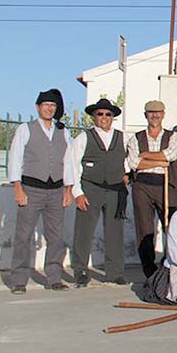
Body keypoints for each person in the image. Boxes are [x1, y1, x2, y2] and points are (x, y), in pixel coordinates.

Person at [8, 88, 74, 294]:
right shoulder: (25, 129)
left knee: (56, 237)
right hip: (31, 189)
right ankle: (19, 280)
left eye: (53, 105)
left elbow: (69, 162)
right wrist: (18, 188)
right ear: (38, 107)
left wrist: (69, 189)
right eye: (45, 105)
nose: (49, 108)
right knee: (23, 236)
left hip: (56, 190)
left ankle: (53, 278)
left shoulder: (63, 131)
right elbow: (15, 158)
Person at [70, 98, 129, 287]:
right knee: (84, 232)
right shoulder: (84, 137)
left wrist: (127, 174)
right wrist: (77, 192)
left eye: (108, 114)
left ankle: (115, 272)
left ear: (113, 117)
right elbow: (73, 165)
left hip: (114, 189)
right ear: (94, 116)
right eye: (100, 114)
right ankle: (80, 271)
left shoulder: (122, 137)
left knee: (115, 231)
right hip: (90, 188)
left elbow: (129, 159)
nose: (104, 117)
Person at [127, 100, 177, 278]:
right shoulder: (136, 137)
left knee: (169, 226)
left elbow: (171, 155)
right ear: (145, 115)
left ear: (163, 114)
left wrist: (146, 157)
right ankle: (149, 271)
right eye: (150, 112)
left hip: (164, 182)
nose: (154, 115)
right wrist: (160, 161)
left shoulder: (172, 136)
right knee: (144, 228)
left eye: (158, 112)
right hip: (141, 184)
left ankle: (168, 265)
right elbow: (134, 163)